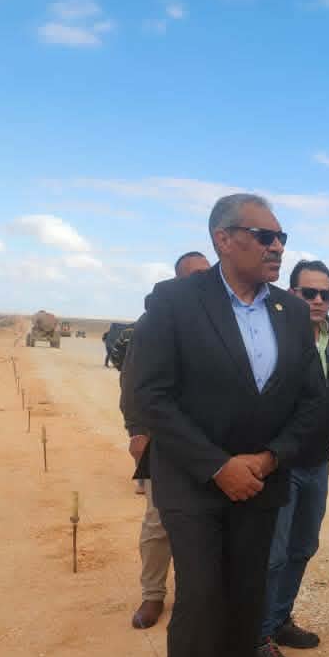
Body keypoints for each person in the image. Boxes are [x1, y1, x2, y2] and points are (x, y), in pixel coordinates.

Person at [130, 194, 326, 657]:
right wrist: (218, 466)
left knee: (245, 603)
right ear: (223, 238)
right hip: (194, 485)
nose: (277, 246)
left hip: (260, 484)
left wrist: (267, 459)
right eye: (264, 236)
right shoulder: (175, 302)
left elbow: (312, 401)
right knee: (201, 604)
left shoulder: (291, 312)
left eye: (281, 237)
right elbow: (148, 395)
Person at [257, 259, 329, 657]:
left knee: (302, 548)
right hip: (278, 466)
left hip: (317, 465)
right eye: (309, 293)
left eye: (326, 294)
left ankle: (279, 621)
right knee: (273, 555)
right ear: (292, 293)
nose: (318, 300)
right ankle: (257, 637)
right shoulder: (274, 337)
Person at [121, 250, 211, 630]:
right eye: (193, 275)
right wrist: (137, 430)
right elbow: (134, 381)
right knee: (159, 522)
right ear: (177, 280)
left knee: (207, 522)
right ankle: (153, 595)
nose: (201, 280)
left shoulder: (222, 320)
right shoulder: (154, 322)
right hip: (165, 438)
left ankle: (198, 595)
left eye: (206, 273)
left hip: (211, 441)